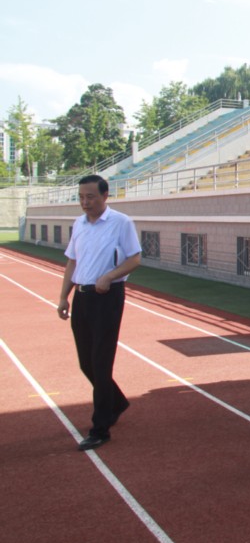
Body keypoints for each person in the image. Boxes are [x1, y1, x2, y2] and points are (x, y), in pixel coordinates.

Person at [56, 175, 142, 451]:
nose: (85, 202)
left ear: (105, 196)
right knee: (87, 363)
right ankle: (116, 401)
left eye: (90, 197)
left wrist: (109, 276)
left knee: (101, 362)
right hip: (82, 297)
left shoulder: (121, 222)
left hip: (107, 297)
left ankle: (100, 428)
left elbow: (135, 258)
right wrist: (64, 296)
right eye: (81, 197)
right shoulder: (79, 224)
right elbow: (73, 261)